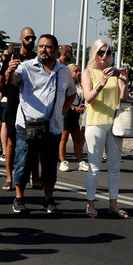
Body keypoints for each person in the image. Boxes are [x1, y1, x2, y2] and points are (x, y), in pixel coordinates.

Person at [3, 33, 76, 215]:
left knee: (50, 165)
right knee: (23, 163)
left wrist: (65, 108)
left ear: (56, 50)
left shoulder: (64, 71)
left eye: (48, 47)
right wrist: (9, 70)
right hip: (27, 125)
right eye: (41, 46)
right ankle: (19, 199)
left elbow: (72, 92)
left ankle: (48, 200)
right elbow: (12, 82)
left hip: (53, 127)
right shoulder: (26, 67)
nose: (44, 50)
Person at [81, 39, 129, 218]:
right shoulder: (88, 72)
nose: (104, 56)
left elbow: (122, 98)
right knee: (94, 166)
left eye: (108, 53)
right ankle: (91, 203)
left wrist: (124, 80)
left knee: (114, 167)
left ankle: (113, 204)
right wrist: (101, 82)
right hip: (96, 122)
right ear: (94, 53)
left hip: (115, 123)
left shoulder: (113, 73)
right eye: (101, 52)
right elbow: (88, 97)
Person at [0, 28, 38, 191]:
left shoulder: (36, 58)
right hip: (14, 105)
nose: (31, 40)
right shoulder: (13, 57)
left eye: (33, 38)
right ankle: (9, 177)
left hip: (32, 107)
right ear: (21, 39)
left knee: (33, 143)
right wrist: (9, 71)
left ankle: (35, 177)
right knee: (11, 142)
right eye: (28, 38)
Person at [58, 44, 87, 173]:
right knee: (63, 139)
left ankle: (80, 161)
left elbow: (82, 98)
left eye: (79, 70)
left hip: (75, 115)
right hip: (66, 112)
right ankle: (63, 161)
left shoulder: (79, 86)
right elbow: (63, 98)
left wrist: (80, 107)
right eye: (76, 71)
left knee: (77, 139)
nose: (78, 73)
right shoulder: (66, 83)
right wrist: (72, 107)